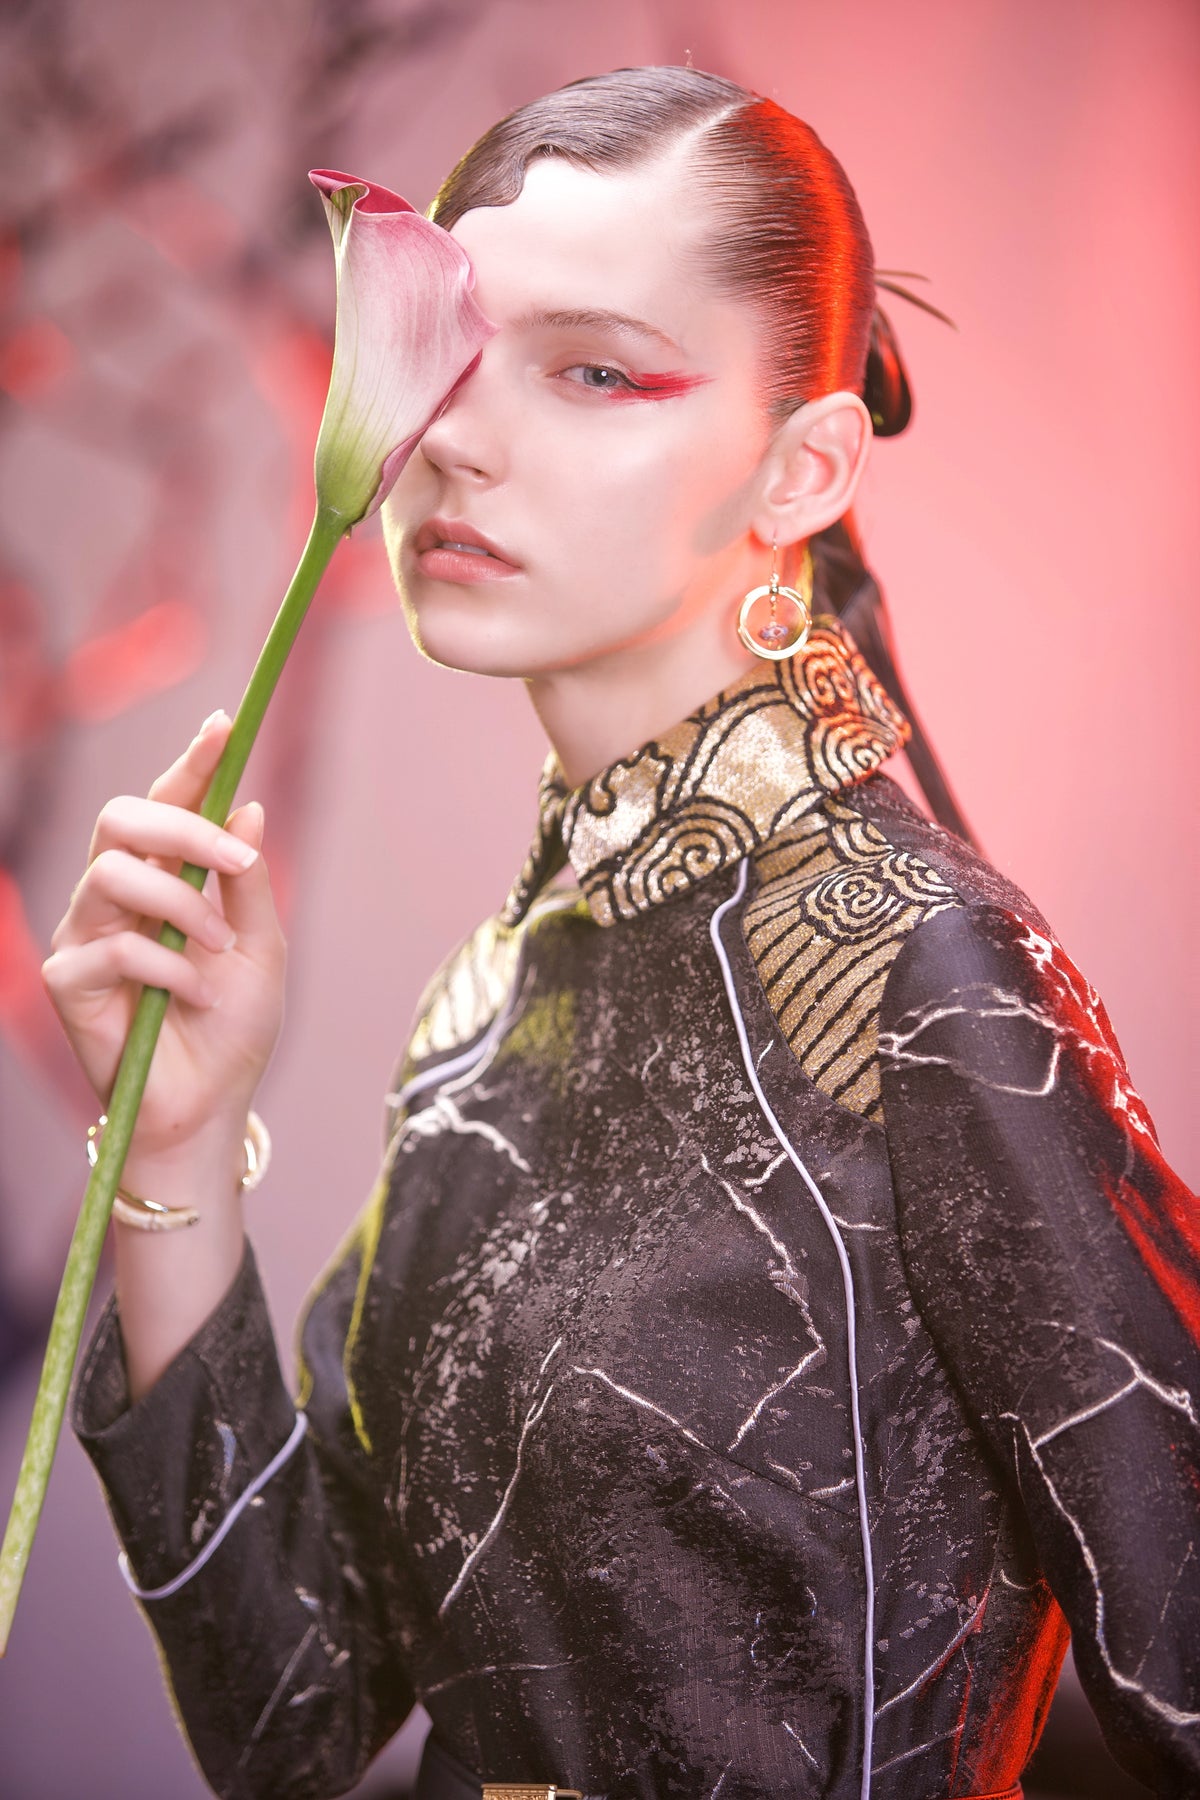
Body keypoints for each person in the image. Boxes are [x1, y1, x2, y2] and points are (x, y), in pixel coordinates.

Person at [44, 66, 1197, 1800]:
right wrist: (176, 1151)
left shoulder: (917, 970)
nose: (455, 439)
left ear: (804, 466)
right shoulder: (494, 1004)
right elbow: (290, 1720)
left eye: (594, 372)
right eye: (445, 357)